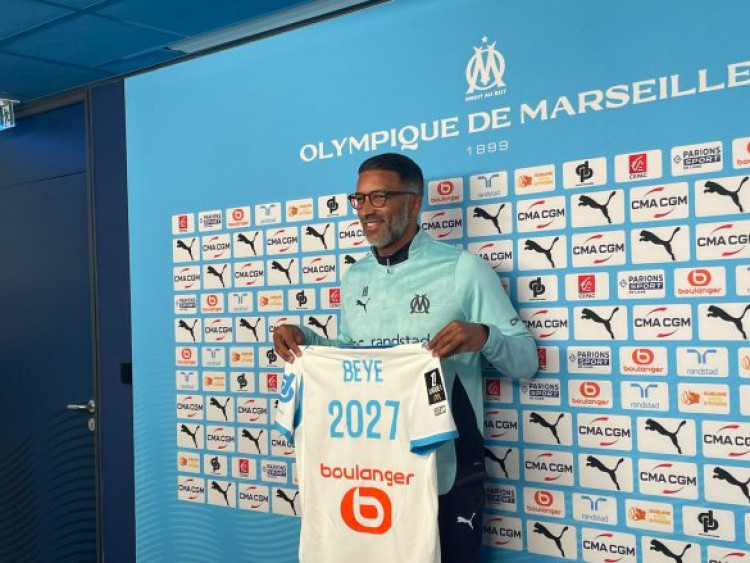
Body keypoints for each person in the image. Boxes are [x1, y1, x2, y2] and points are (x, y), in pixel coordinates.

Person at [273, 152, 537, 562]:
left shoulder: (463, 270)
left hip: (446, 474)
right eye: (359, 199)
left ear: (414, 203)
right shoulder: (356, 275)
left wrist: (483, 336)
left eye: (378, 197)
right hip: (373, 469)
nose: (365, 210)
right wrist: (306, 340)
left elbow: (525, 361)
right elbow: (355, 355)